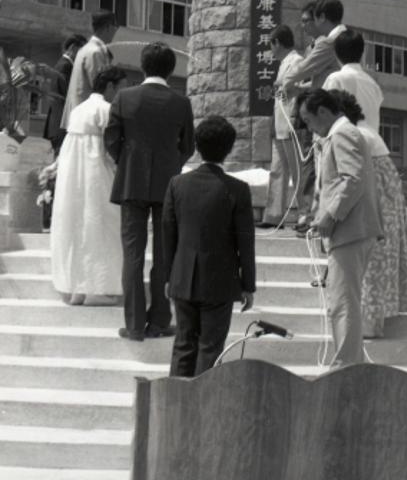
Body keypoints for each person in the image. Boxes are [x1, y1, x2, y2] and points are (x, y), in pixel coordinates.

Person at [105, 42, 195, 342]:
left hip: (131, 183)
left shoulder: (124, 97)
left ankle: (133, 325)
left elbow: (111, 140)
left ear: (143, 66)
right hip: (168, 185)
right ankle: (159, 321)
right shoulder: (181, 103)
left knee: (132, 254)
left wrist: (127, 161)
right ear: (171, 69)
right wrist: (172, 164)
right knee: (164, 254)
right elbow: (188, 146)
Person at [163, 115, 256, 376]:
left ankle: (176, 405)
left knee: (183, 343)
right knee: (210, 347)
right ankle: (203, 409)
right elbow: (245, 241)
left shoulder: (176, 184)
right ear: (230, 148)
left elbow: (168, 235)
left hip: (183, 276)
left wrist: (168, 276)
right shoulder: (238, 189)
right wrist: (248, 284)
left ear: (196, 145)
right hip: (221, 279)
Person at [298, 89, 383, 368]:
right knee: (341, 302)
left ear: (323, 112)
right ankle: (348, 364)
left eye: (308, 121)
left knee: (343, 304)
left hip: (350, 231)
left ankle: (347, 368)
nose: (309, 128)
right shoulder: (340, 134)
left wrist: (331, 215)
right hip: (350, 231)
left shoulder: (343, 134)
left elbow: (353, 178)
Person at [333, 90, 407, 339]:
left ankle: (368, 323)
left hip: (375, 192)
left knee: (371, 257)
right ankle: (373, 319)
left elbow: (354, 177)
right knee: (381, 255)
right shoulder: (367, 131)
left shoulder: (352, 133)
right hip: (386, 190)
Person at [50, 66, 127, 305]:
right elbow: (112, 149)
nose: (123, 93)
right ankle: (99, 289)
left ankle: (76, 288)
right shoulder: (107, 109)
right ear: (111, 87)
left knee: (74, 226)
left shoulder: (78, 110)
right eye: (122, 88)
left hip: (72, 178)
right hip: (97, 175)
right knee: (102, 226)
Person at [282, 0, 346, 233]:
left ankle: (319, 219)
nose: (309, 26)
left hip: (328, 116)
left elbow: (305, 68)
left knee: (324, 168)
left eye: (311, 20)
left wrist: (285, 82)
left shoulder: (328, 43)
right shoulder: (343, 40)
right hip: (341, 114)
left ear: (321, 18)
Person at [258, 24, 305, 229]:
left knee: (297, 172)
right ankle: (273, 216)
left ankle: (305, 215)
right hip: (280, 124)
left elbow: (295, 93)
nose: (271, 50)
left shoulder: (296, 61)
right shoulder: (285, 62)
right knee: (277, 171)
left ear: (277, 43)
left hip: (290, 124)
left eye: (271, 44)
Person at [61, 11, 117, 129]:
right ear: (108, 27)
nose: (115, 31)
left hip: (79, 117)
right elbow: (101, 89)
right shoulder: (95, 52)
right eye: (115, 27)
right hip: (86, 121)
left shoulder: (87, 49)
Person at [323, 29, 383, 133]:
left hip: (345, 143)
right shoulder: (374, 85)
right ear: (362, 52)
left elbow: (325, 115)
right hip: (371, 144)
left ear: (336, 53)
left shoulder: (335, 79)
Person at [43, 34, 87, 156]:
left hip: (59, 125)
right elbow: (69, 96)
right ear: (73, 48)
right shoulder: (65, 67)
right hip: (62, 126)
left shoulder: (62, 65)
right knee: (61, 167)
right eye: (82, 50)